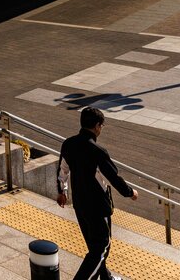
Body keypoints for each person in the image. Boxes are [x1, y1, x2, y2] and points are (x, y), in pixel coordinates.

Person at [57, 107, 138, 280]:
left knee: (94, 246)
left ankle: (106, 278)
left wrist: (61, 191)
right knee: (102, 247)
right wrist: (130, 192)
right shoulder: (97, 151)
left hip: (79, 204)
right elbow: (113, 177)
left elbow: (62, 170)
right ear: (96, 126)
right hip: (98, 207)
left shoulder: (68, 144)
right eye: (101, 125)